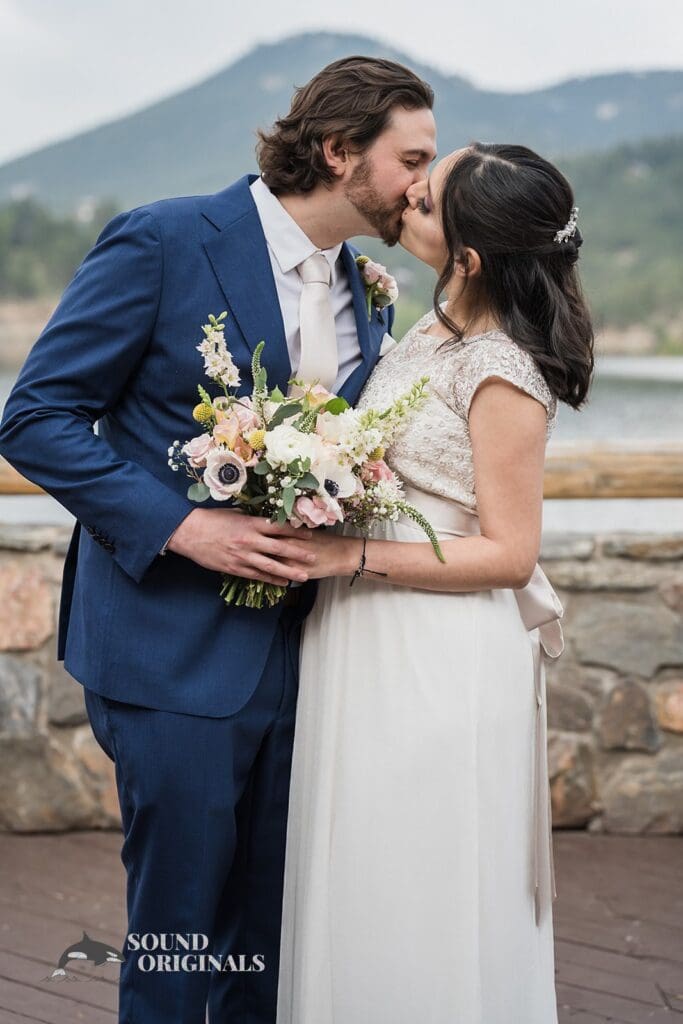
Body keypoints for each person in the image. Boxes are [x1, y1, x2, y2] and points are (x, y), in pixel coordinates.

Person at [0, 57, 436, 1024]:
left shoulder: (368, 291)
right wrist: (185, 526)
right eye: (411, 159)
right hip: (171, 648)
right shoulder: (165, 240)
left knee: (271, 939)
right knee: (177, 933)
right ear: (338, 151)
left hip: (314, 658)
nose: (422, 184)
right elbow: (35, 420)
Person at [276, 143, 594, 1023]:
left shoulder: (501, 369)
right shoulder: (426, 332)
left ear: (471, 257)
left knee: (418, 869)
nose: (409, 194)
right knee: (358, 861)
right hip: (362, 632)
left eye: (427, 198)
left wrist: (348, 557)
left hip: (435, 649)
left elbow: (509, 554)